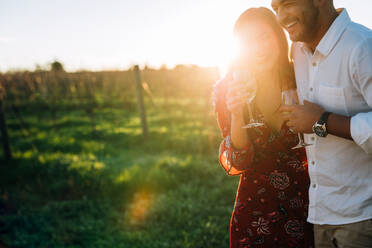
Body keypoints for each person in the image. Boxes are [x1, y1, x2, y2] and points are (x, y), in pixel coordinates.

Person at [271, 0, 372, 247]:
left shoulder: (361, 46)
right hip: (320, 213)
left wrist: (322, 121)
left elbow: (316, 122)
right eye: (276, 9)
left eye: (288, 4)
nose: (281, 17)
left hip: (362, 217)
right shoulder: (297, 50)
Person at [213, 7, 314, 247]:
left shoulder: (302, 75)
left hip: (309, 208)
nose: (258, 48)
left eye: (264, 37)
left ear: (279, 38)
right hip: (256, 217)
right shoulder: (230, 88)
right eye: (248, 42)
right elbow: (239, 161)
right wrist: (237, 114)